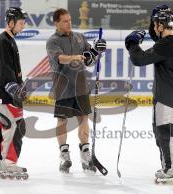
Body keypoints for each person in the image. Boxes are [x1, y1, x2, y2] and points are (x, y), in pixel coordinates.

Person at [125, 5, 173, 182]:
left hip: (167, 93)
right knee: (163, 130)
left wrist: (133, 43)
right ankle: (170, 165)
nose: (153, 27)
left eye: (155, 24)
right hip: (170, 90)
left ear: (160, 24)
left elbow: (139, 59)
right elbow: (157, 39)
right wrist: (154, 20)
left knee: (166, 131)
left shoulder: (167, 44)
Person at [46, 8, 106, 173]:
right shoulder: (53, 41)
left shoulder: (79, 37)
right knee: (62, 121)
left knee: (84, 119)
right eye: (65, 21)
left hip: (81, 86)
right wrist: (74, 57)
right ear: (56, 23)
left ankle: (85, 155)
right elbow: (60, 58)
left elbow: (89, 60)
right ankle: (64, 155)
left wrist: (96, 51)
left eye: (70, 20)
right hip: (63, 87)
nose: (69, 23)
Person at [0, 7, 28, 179]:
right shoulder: (3, 41)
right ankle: (8, 162)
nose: (23, 26)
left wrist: (19, 85)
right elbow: (4, 69)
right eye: (20, 23)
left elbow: (10, 69)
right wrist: (13, 86)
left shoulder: (8, 40)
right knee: (14, 126)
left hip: (1, 93)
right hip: (5, 94)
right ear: (10, 22)